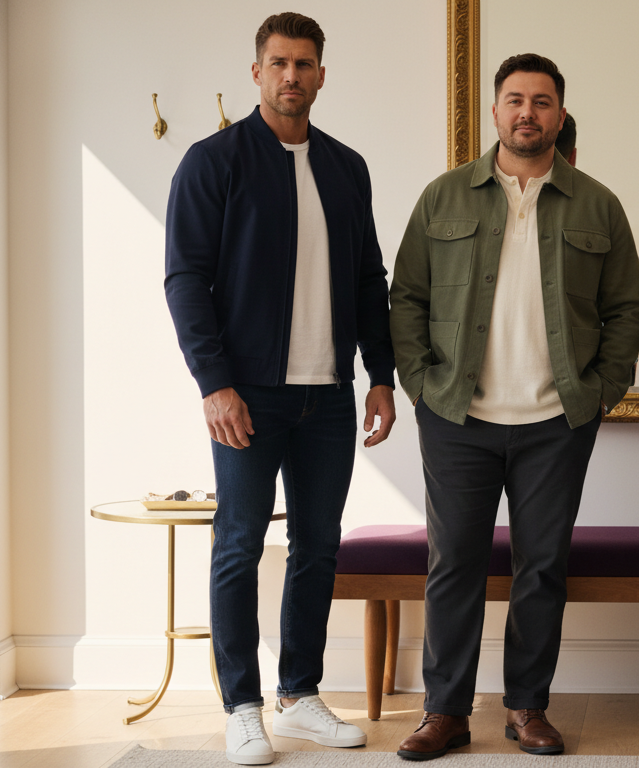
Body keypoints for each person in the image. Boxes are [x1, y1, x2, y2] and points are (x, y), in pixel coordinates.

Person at [389, 52, 639, 761]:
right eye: (514, 100)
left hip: (555, 424)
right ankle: (444, 711)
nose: (527, 112)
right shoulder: (444, 198)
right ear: (496, 112)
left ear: (559, 114)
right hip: (457, 418)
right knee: (454, 565)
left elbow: (627, 308)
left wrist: (599, 390)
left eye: (541, 101)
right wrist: (420, 381)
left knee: (542, 566)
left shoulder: (597, 204)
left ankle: (527, 708)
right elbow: (406, 296)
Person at [164, 12, 396, 766]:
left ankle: (298, 695)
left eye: (304, 63)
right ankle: (241, 705)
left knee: (318, 545)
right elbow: (185, 281)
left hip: (327, 393)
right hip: (248, 395)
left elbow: (368, 281)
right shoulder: (212, 161)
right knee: (238, 543)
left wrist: (381, 376)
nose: (291, 75)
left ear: (322, 75)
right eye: (278, 62)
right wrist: (215, 385)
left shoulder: (346, 167)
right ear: (258, 72)